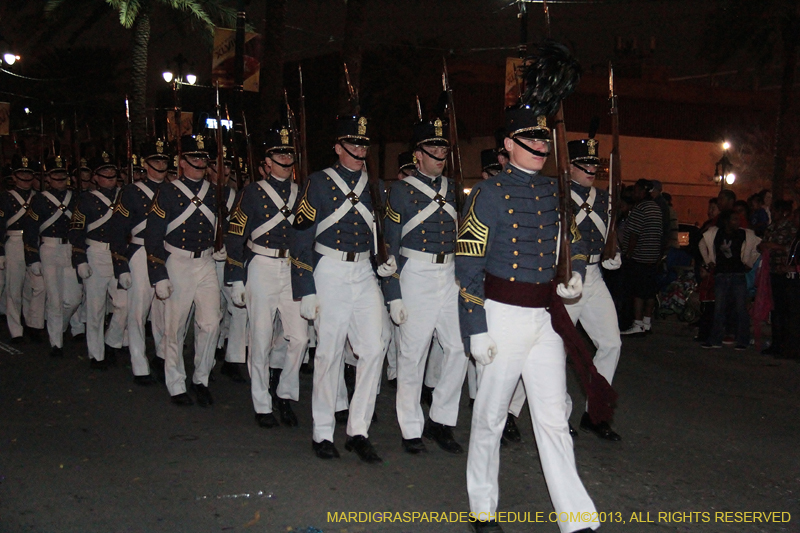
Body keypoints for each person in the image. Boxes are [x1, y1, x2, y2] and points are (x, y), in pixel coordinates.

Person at [458, 103, 600, 533]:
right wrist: (475, 327)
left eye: (543, 139)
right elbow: (467, 266)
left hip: (545, 317)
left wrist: (572, 274)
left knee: (553, 415)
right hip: (501, 315)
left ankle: (575, 517)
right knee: (490, 415)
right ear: (508, 145)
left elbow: (570, 244)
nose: (540, 146)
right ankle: (482, 508)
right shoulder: (490, 193)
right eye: (530, 140)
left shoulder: (555, 192)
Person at [290, 114, 397, 463]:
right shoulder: (318, 183)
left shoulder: (376, 186)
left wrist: (385, 263)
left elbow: (382, 233)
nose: (358, 150)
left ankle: (358, 430)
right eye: (352, 144)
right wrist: (305, 286)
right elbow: (301, 237)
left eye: (363, 144)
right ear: (338, 147)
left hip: (364, 271)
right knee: (329, 352)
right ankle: (322, 431)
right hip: (330, 269)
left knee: (374, 346)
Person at [383, 117, 467, 455]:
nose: (439, 152)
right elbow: (389, 246)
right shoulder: (400, 192)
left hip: (449, 273)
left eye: (443, 146)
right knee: (412, 353)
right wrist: (393, 293)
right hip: (415, 272)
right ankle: (410, 426)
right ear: (417, 154)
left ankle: (442, 419)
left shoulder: (453, 189)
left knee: (460, 347)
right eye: (432, 147)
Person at [226, 123, 308, 428]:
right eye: (279, 153)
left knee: (299, 338)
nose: (285, 159)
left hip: (293, 269)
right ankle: (262, 403)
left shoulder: (303, 192)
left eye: (289, 152)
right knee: (259, 338)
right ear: (268, 161)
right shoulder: (252, 193)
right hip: (261, 265)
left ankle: (284, 393)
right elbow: (235, 235)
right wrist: (235, 276)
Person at [145, 134, 224, 406]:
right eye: (195, 157)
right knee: (175, 326)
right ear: (182, 162)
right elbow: (153, 236)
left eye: (204, 158)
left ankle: (201, 378)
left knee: (211, 322)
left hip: (206, 262)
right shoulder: (167, 192)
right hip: (177, 262)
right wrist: (158, 274)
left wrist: (221, 244)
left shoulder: (215, 192)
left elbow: (221, 225)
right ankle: (176, 382)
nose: (201, 162)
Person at [109, 140, 170, 385]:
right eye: (156, 160)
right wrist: (121, 264)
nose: (161, 165)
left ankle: (163, 356)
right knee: (137, 311)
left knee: (165, 311)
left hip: (167, 253)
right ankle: (139, 363)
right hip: (140, 251)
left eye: (164, 160)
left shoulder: (174, 190)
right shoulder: (131, 192)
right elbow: (116, 230)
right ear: (145, 164)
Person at [69, 152, 128, 370]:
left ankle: (111, 341)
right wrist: (80, 258)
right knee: (95, 308)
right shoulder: (85, 199)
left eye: (112, 170)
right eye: (104, 172)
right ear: (95, 177)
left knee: (124, 303)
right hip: (96, 253)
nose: (110, 174)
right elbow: (76, 231)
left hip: (119, 254)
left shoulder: (124, 196)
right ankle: (97, 354)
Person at [22, 155, 81, 357]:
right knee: (54, 299)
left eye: (62, 174)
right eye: (55, 175)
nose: (59, 178)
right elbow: (30, 229)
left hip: (70, 248)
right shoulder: (39, 199)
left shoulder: (76, 197)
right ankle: (56, 342)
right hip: (48, 248)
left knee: (73, 299)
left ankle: (59, 328)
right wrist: (33, 258)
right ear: (48, 177)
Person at [206, 139, 249, 384]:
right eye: (217, 165)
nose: (223, 171)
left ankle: (233, 359)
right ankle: (206, 358)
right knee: (210, 313)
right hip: (202, 259)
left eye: (227, 166)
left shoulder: (234, 196)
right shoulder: (197, 192)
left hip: (226, 258)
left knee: (238, 309)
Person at [0, 155, 46, 343]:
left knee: (38, 286)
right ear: (15, 175)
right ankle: (15, 329)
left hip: (35, 243)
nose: (26, 177)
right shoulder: (5, 197)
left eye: (29, 173)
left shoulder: (40, 197)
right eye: (22, 173)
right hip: (14, 242)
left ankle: (32, 322)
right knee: (14, 288)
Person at [699, 209, 760, 350]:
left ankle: (742, 340)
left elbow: (757, 246)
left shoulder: (743, 234)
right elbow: (702, 244)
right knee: (719, 308)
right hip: (721, 274)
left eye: (737, 219)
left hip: (737, 273)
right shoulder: (716, 233)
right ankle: (716, 339)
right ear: (726, 221)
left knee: (740, 308)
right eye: (734, 219)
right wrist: (708, 261)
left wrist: (749, 262)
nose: (737, 222)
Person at [620, 179, 663, 336]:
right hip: (652, 257)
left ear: (644, 192)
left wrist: (629, 253)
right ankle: (647, 322)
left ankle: (637, 323)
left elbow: (634, 234)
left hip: (639, 257)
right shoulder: (656, 208)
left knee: (638, 292)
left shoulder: (640, 208)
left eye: (637, 191)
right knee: (650, 292)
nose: (635, 194)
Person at [758, 200, 797, 357]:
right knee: (775, 309)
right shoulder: (771, 227)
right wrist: (763, 246)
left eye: (775, 211)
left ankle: (785, 345)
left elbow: (791, 248)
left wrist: (775, 246)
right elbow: (762, 244)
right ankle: (775, 344)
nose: (772, 214)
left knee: (784, 310)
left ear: (783, 212)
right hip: (771, 271)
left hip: (785, 273)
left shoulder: (790, 228)